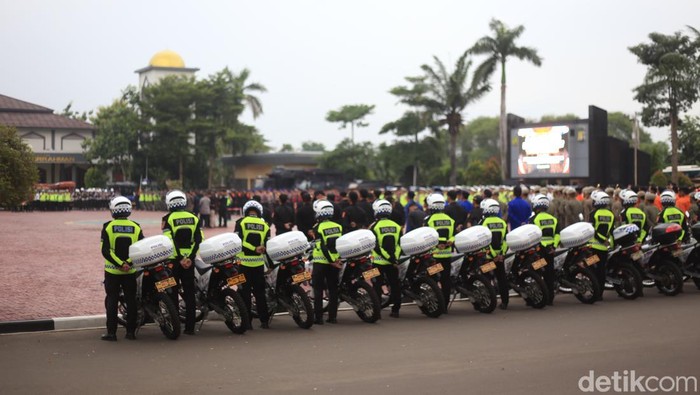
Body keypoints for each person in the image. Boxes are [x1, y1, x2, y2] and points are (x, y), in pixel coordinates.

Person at [100, 196, 144, 341]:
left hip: (112, 271)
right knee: (131, 300)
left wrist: (120, 264)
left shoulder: (108, 227)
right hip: (130, 272)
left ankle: (111, 333)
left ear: (113, 209)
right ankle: (130, 332)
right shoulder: (136, 227)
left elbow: (106, 250)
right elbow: (140, 248)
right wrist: (128, 263)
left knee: (112, 300)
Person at [162, 190, 203, 335]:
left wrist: (179, 258)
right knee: (189, 293)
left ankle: (175, 324)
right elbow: (199, 240)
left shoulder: (168, 218)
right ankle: (190, 328)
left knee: (172, 292)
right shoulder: (193, 217)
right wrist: (190, 258)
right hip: (189, 261)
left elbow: (168, 241)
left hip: (175, 261)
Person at [234, 200, 271, 329]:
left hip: (244, 263)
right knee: (260, 293)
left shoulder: (240, 223)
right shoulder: (264, 224)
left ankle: (247, 322)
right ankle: (264, 321)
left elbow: (237, 241)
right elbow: (267, 244)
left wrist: (252, 248)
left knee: (245, 294)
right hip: (259, 264)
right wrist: (259, 248)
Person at [311, 200, 343, 324]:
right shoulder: (338, 226)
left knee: (318, 290)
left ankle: (318, 318)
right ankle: (333, 317)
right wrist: (335, 260)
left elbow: (323, 247)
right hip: (335, 261)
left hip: (321, 262)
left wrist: (329, 260)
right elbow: (340, 244)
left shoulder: (317, 227)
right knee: (333, 289)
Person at [369, 199, 403, 318]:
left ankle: (377, 311)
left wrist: (388, 257)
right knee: (395, 285)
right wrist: (394, 258)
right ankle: (396, 310)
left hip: (377, 262)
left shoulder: (374, 226)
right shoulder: (396, 226)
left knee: (376, 286)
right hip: (393, 262)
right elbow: (399, 245)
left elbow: (376, 247)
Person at [424, 193, 455, 312]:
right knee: (445, 280)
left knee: (433, 281)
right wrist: (448, 243)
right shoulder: (450, 220)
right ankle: (445, 306)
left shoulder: (429, 220)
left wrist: (438, 244)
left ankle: (434, 305)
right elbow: (453, 236)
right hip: (446, 255)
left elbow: (426, 237)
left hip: (434, 257)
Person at [479, 199, 509, 310]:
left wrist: (492, 256)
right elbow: (505, 240)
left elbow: (484, 242)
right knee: (502, 279)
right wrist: (501, 254)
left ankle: (487, 301)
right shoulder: (502, 222)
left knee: (486, 279)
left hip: (488, 258)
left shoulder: (483, 222)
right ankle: (505, 302)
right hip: (500, 257)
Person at [530, 194, 559, 305]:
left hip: (539, 252)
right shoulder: (553, 219)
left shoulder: (534, 219)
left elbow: (532, 236)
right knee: (549, 274)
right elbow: (557, 235)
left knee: (535, 274)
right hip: (550, 252)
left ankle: (538, 297)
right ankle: (550, 299)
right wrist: (553, 246)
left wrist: (544, 247)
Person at [589, 190, 614, 301]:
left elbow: (591, 230)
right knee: (601, 271)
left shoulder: (593, 214)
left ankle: (594, 291)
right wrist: (608, 242)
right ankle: (600, 295)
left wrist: (601, 239)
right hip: (604, 248)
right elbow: (611, 231)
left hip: (593, 248)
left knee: (591, 269)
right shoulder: (611, 214)